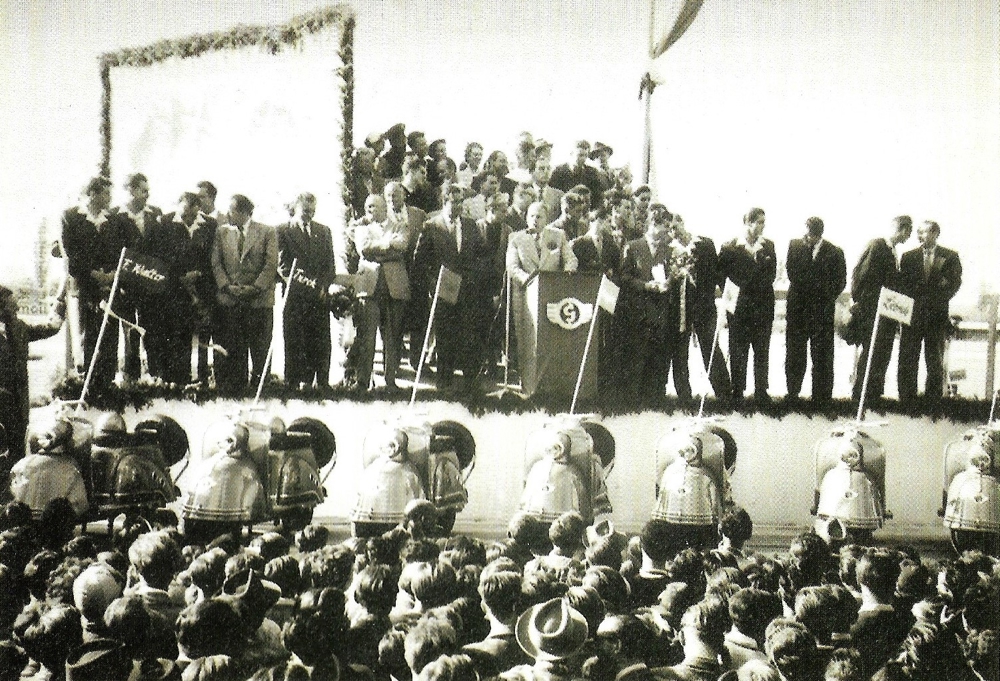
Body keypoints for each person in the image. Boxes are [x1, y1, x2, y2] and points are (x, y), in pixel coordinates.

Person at [412, 183, 495, 394]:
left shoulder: (470, 225)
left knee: (468, 335)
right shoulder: (431, 226)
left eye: (461, 202)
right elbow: (420, 261)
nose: (458, 206)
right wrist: (432, 283)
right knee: (445, 336)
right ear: (444, 201)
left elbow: (482, 254)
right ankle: (444, 381)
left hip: (468, 289)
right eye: (454, 201)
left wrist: (474, 276)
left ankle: (470, 382)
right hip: (443, 289)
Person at [61, 176, 133, 395]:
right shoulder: (71, 217)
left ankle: (107, 387)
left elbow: (123, 250)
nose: (109, 198)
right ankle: (88, 385)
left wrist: (112, 275)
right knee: (87, 335)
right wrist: (93, 274)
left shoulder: (114, 220)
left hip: (109, 286)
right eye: (105, 193)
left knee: (109, 334)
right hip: (85, 287)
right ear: (92, 193)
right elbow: (70, 253)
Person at [143, 191, 216, 385]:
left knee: (199, 334)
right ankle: (174, 380)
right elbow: (157, 256)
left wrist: (198, 274)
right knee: (174, 334)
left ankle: (199, 379)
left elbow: (212, 257)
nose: (188, 218)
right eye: (184, 214)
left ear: (198, 209)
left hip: (200, 288)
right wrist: (179, 277)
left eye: (192, 214)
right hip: (173, 289)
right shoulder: (164, 223)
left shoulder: (209, 225)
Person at [211, 194, 278, 396]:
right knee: (234, 348)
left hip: (259, 301)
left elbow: (270, 264)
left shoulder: (267, 232)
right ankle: (236, 390)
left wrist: (255, 288)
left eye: (231, 210)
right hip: (231, 300)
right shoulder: (222, 232)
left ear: (244, 212)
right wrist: (226, 286)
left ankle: (261, 390)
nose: (227, 214)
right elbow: (216, 263)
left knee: (260, 348)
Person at [0, 285, 64, 492]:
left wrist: (61, 301)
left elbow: (51, 327)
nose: (17, 307)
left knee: (18, 450)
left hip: (17, 405)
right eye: (12, 304)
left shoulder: (19, 327)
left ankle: (14, 495)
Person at [896, 220, 962, 405]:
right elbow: (903, 285)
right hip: (912, 317)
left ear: (934, 234)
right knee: (908, 357)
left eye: (923, 232)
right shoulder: (908, 257)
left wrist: (939, 298)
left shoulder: (950, 256)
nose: (919, 236)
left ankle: (932, 401)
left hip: (936, 316)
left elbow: (955, 283)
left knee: (934, 360)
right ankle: (907, 399)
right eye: (918, 232)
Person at [848, 216, 912, 403]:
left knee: (882, 352)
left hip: (887, 312)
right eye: (908, 231)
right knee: (872, 351)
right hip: (873, 311)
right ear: (902, 229)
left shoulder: (892, 251)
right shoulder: (878, 245)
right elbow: (861, 274)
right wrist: (861, 303)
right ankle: (860, 394)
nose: (909, 236)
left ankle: (874, 394)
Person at [350, 193, 410, 392]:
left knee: (392, 338)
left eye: (373, 206)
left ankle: (390, 382)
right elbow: (364, 249)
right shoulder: (362, 229)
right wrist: (387, 245)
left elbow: (402, 246)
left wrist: (378, 253)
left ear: (385, 208)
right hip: (369, 288)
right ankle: (362, 382)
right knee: (366, 336)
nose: (369, 210)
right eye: (367, 207)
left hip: (394, 289)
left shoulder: (400, 226)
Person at [784, 217, 847, 405]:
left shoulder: (835, 252)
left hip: (822, 311)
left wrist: (822, 297)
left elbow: (840, 282)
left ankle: (821, 397)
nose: (806, 238)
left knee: (822, 354)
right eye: (805, 234)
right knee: (795, 352)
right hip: (798, 310)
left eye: (810, 235)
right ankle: (793, 393)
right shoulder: (794, 246)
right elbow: (792, 273)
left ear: (818, 234)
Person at [717, 208, 777, 405]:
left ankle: (761, 390)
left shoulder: (768, 246)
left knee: (762, 350)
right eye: (760, 222)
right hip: (740, 309)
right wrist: (736, 292)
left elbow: (771, 275)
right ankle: (738, 390)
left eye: (764, 222)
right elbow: (721, 275)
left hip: (762, 307)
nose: (763, 226)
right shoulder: (730, 247)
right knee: (738, 349)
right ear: (748, 223)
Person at [278, 193, 335, 390]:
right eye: (305, 211)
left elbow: (330, 266)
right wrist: (310, 286)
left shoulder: (324, 231)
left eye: (312, 210)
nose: (309, 214)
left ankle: (321, 382)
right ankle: (294, 382)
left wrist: (322, 286)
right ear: (295, 208)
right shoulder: (283, 231)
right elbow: (284, 267)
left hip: (319, 296)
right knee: (295, 339)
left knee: (320, 340)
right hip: (295, 296)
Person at [672, 216, 733, 404]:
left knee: (711, 348)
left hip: (704, 306)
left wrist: (726, 294)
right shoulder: (671, 249)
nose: (674, 232)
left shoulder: (705, 244)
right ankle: (684, 396)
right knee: (680, 352)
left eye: (676, 226)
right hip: (681, 308)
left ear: (682, 223)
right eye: (670, 229)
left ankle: (724, 393)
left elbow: (716, 273)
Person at [618, 206, 675, 404]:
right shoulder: (633, 247)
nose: (666, 230)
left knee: (658, 356)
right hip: (639, 310)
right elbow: (624, 277)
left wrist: (669, 282)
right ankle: (632, 400)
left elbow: (672, 277)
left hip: (660, 311)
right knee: (637, 355)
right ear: (652, 224)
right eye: (662, 226)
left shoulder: (669, 250)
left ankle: (655, 398)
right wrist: (645, 285)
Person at [117, 173, 163, 385]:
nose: (147, 194)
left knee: (152, 328)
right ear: (131, 190)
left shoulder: (155, 214)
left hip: (150, 284)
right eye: (143, 190)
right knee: (129, 330)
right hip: (127, 284)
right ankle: (131, 376)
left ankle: (155, 375)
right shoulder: (116, 215)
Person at [506, 202, 578, 288]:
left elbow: (571, 259)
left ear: (546, 219)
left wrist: (565, 276)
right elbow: (512, 266)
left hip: (553, 286)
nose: (535, 220)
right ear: (526, 218)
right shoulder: (516, 238)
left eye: (538, 217)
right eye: (532, 216)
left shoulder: (558, 235)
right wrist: (528, 279)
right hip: (526, 287)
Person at [549, 140, 607, 209]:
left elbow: (597, 197)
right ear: (571, 153)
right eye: (580, 155)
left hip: (585, 211)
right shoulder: (559, 172)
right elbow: (553, 196)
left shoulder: (591, 172)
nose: (583, 159)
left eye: (585, 156)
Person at [530, 158, 563, 227]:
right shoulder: (525, 193)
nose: (546, 172)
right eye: (541, 169)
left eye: (548, 169)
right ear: (532, 172)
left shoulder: (559, 195)